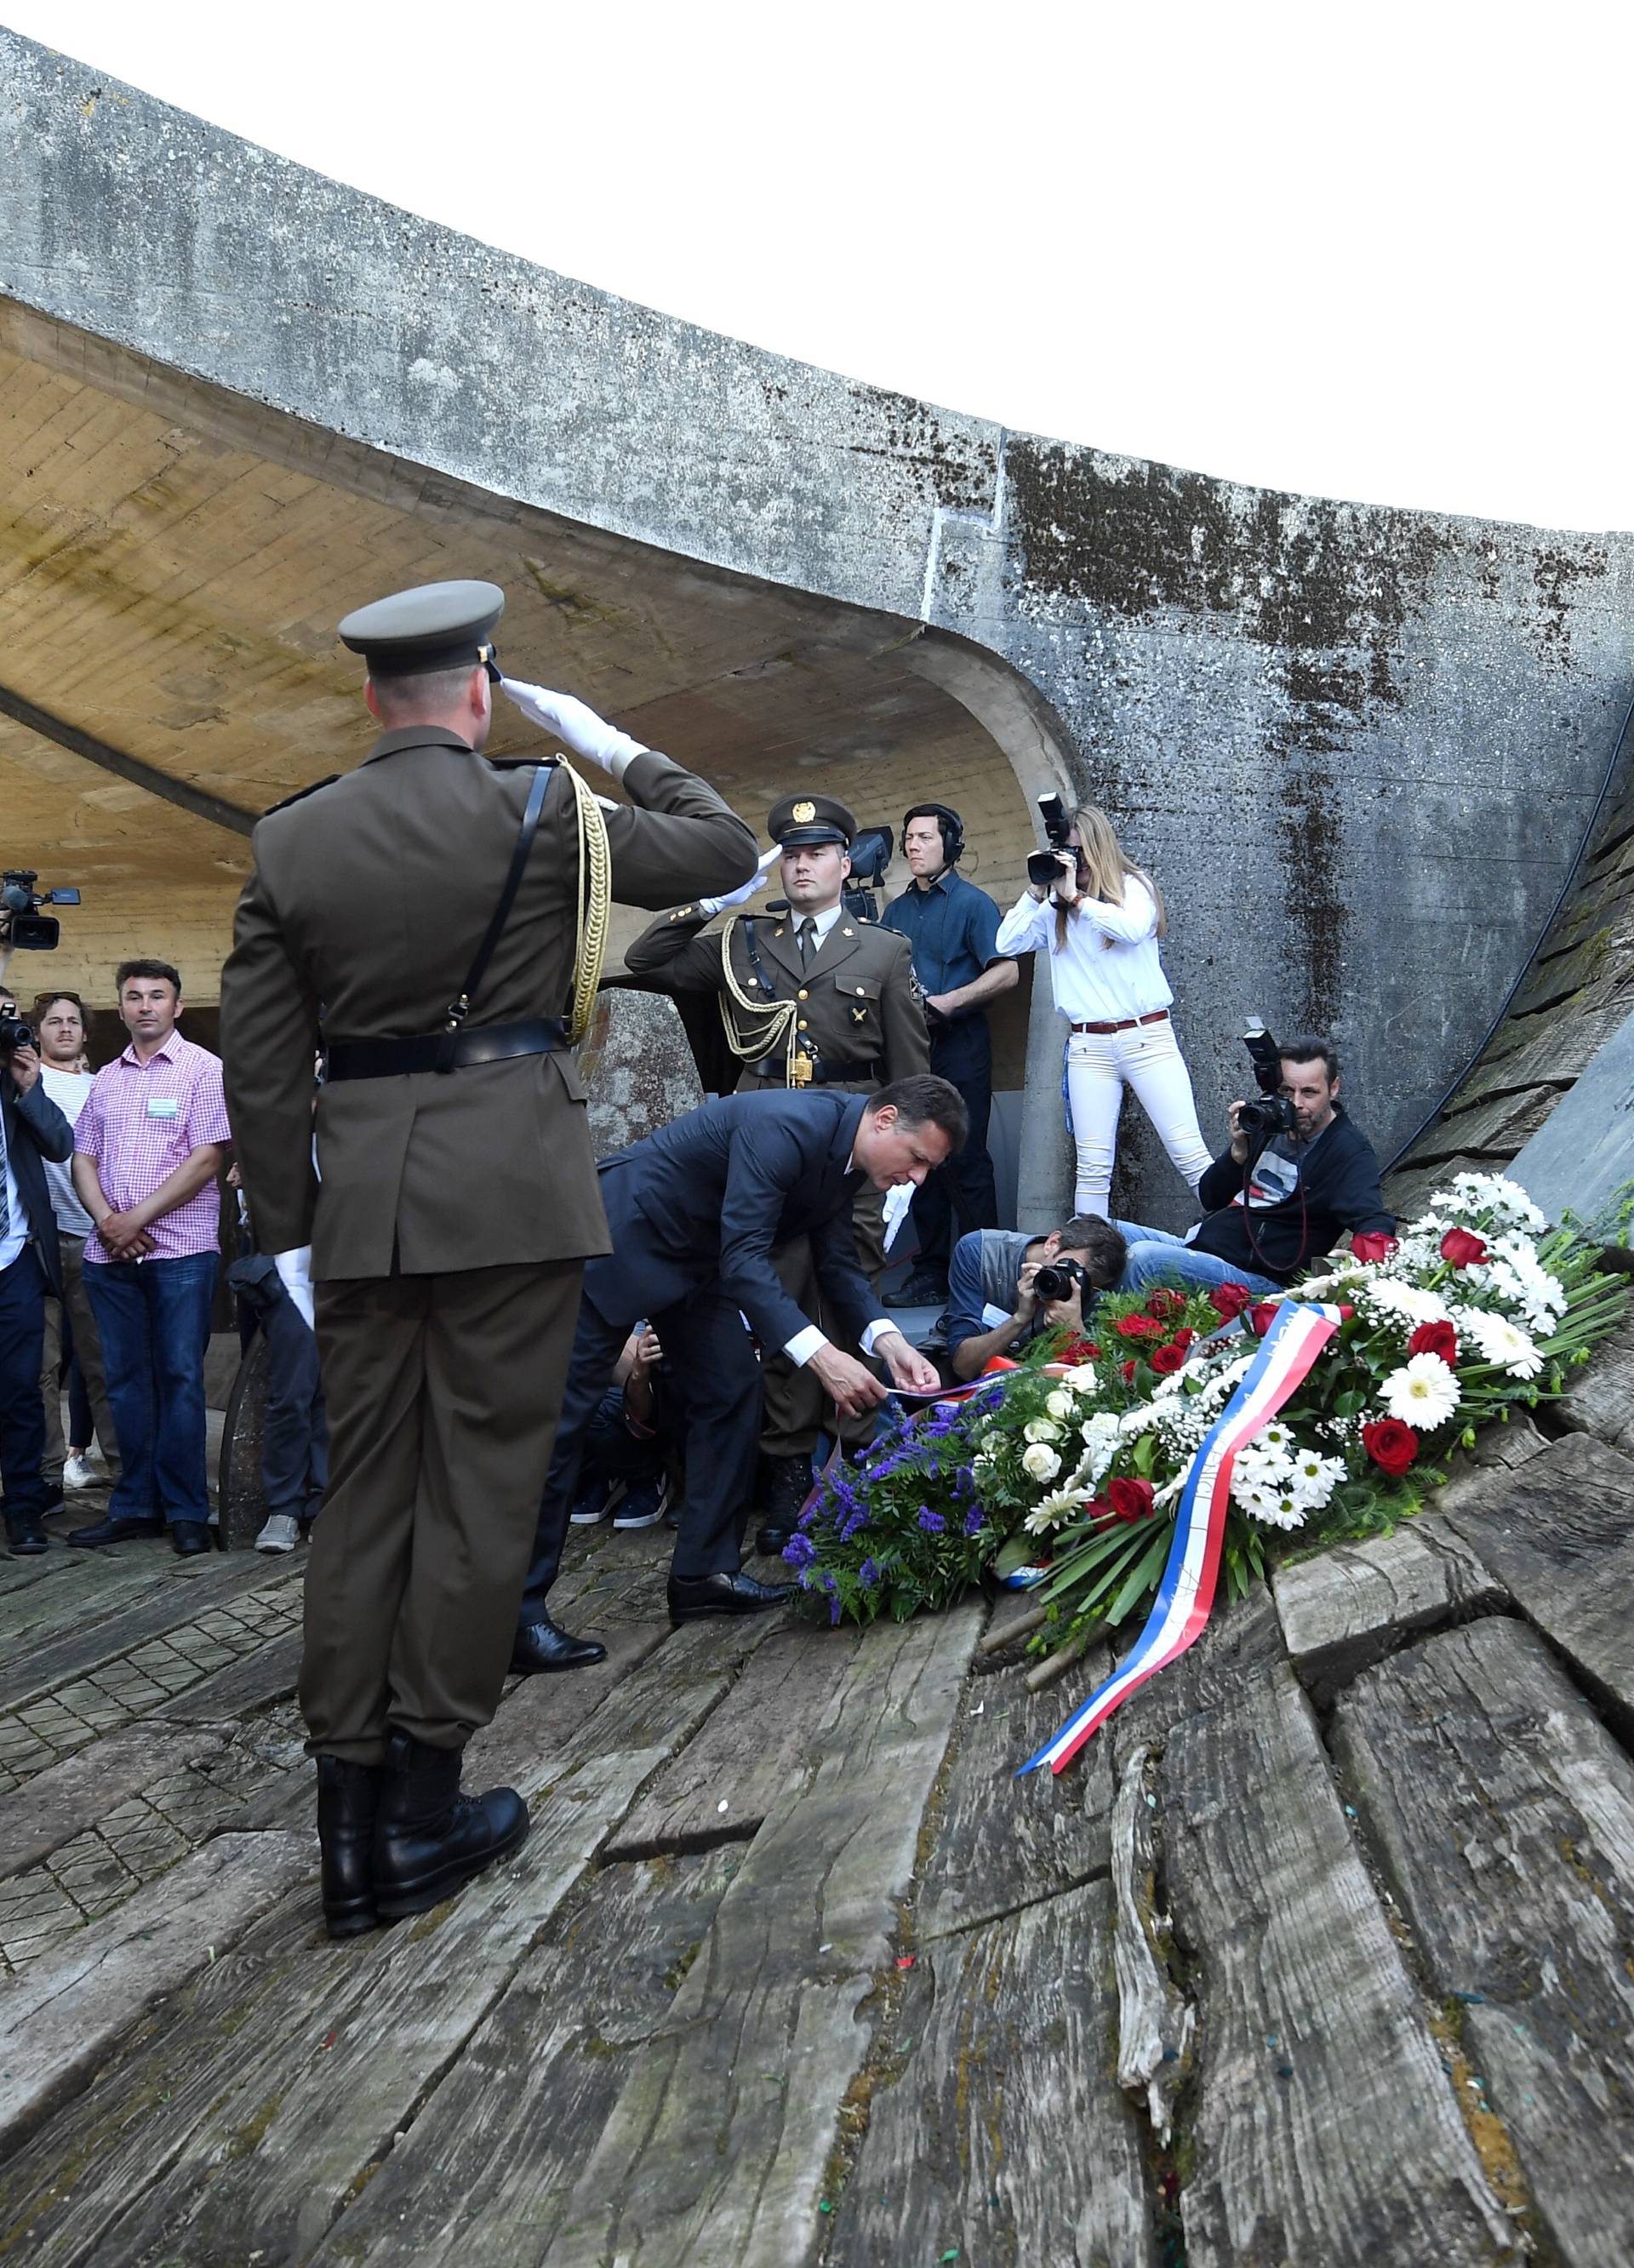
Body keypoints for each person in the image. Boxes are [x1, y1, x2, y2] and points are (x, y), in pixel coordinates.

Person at [220, 578, 759, 1940]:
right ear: (479, 692)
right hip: (514, 1194)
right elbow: (719, 846)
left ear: (367, 698)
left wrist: (285, 1231)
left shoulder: (291, 839)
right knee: (479, 1490)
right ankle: (425, 1807)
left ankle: (347, 1828)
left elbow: (266, 1076)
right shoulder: (550, 810)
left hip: (362, 1211)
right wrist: (600, 737)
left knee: (366, 1497)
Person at [515, 1077, 961, 1655]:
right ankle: (517, 1615)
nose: (919, 1178)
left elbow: (838, 1264)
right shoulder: (787, 1125)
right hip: (621, 1241)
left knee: (732, 1388)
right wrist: (823, 1357)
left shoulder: (849, 1157)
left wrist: (892, 1341)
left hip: (696, 1266)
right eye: (918, 1158)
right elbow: (746, 1255)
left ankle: (704, 1574)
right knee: (561, 1422)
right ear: (885, 1119)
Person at [625, 792, 931, 1553]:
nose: (801, 864)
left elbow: (912, 1076)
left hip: (857, 1131)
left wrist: (910, 1176)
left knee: (852, 1282)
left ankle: (855, 1449)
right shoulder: (744, 941)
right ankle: (792, 1462)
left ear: (843, 861)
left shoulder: (883, 950)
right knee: (777, 1291)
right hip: (762, 1130)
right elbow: (647, 962)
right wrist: (712, 899)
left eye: (817, 852)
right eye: (791, 853)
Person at [69, 961, 231, 1558]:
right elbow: (83, 1158)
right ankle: (136, 1504)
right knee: (126, 1383)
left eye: (156, 996)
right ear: (120, 1007)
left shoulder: (203, 1070)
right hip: (108, 1255)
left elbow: (207, 1158)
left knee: (181, 1379)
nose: (144, 1006)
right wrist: (108, 1221)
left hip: (179, 1252)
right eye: (133, 996)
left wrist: (135, 1219)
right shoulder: (106, 1078)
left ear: (178, 1006)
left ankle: (187, 1508)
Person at [995, 803, 1211, 1218]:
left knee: (1188, 1152)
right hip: (1089, 1046)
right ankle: (1087, 1267)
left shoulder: (1134, 887)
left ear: (1097, 850)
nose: (1074, 864)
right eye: (1066, 856)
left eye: (1079, 854)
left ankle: (1252, 1243)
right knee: (1092, 1169)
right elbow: (1006, 944)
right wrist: (1037, 889)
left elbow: (1130, 929)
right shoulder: (1054, 908)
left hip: (1147, 1038)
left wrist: (1077, 897)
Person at [1114, 1037, 1394, 1294]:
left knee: (1144, 1258)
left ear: (1333, 1088)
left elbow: (1371, 1217)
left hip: (1257, 1277)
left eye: (1309, 1092)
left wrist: (1364, 1260)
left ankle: (1104, 1341)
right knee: (1094, 1231)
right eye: (1286, 1090)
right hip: (1202, 1247)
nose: (1295, 1104)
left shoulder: (1346, 1150)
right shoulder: (1270, 1120)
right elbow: (1211, 1197)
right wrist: (1238, 1153)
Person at [879, 803, 1017, 1310]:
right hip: (912, 1046)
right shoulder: (894, 912)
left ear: (950, 845)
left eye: (925, 838)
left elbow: (1007, 974)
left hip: (960, 1043)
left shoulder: (974, 903)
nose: (913, 846)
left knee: (967, 1159)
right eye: (909, 839)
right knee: (919, 1157)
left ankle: (985, 1273)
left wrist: (949, 1001)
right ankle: (932, 1271)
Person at [31, 991, 121, 1499]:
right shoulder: (24, 1084)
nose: (64, 1029)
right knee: (39, 1367)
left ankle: (127, 1473)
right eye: (52, 1021)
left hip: (96, 1236)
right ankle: (46, 1478)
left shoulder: (104, 1086)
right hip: (39, 1240)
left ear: (86, 1034)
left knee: (104, 1360)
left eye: (72, 1021)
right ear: (37, 1031)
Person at [0, 993, 75, 1555]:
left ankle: (24, 1504)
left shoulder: (18, 1082)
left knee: (22, 1388)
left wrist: (30, 1087)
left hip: (15, 1257)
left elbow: (59, 1144)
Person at [945, 1214, 1128, 1380]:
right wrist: (1019, 1318)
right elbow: (964, 1368)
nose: (1073, 1285)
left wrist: (1074, 1331)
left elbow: (1099, 1383)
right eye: (1070, 1269)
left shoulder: (1092, 1295)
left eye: (1084, 1285)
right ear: (1053, 1243)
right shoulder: (981, 1251)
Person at [568, 1323, 680, 1532]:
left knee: (587, 1407)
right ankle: (603, 1471)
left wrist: (604, 1337)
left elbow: (642, 1386)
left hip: (643, 1398)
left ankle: (647, 1473)